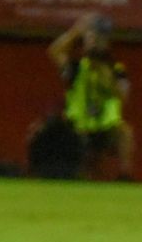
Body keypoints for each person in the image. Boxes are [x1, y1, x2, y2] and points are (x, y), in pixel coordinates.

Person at [47, 13, 135, 181]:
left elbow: (124, 95)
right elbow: (54, 51)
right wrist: (76, 31)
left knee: (125, 133)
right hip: (78, 126)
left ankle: (125, 176)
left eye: (100, 36)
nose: (96, 40)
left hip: (105, 126)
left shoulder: (115, 68)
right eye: (92, 36)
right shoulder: (78, 67)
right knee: (80, 157)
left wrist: (106, 80)